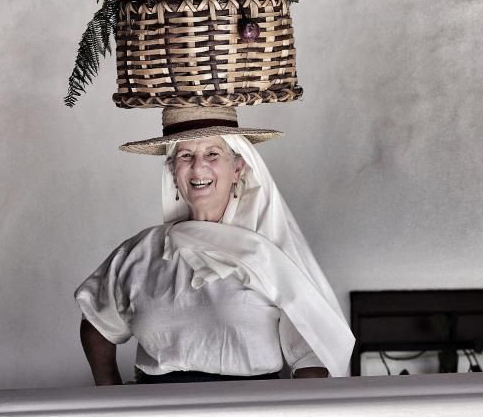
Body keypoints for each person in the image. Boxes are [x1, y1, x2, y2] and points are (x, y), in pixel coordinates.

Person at [75, 107, 355, 385]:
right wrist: (111, 398)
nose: (198, 167)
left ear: (238, 168)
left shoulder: (270, 254)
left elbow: (313, 356)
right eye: (185, 156)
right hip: (158, 408)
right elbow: (96, 326)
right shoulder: (142, 252)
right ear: (173, 172)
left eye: (212, 154)